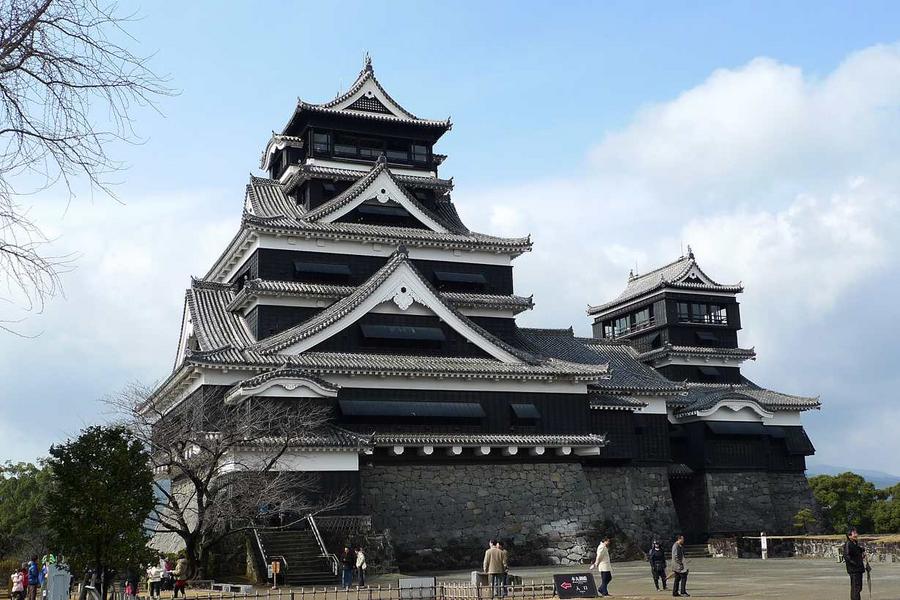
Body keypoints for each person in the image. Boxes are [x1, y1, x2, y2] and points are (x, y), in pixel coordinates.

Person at [843, 528, 869, 600]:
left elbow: (858, 550)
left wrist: (862, 550)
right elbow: (847, 556)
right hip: (854, 569)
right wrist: (855, 564)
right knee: (856, 588)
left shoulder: (854, 543)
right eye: (854, 533)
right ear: (849, 535)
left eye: (856, 533)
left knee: (858, 587)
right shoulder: (848, 544)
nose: (856, 534)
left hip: (858, 569)